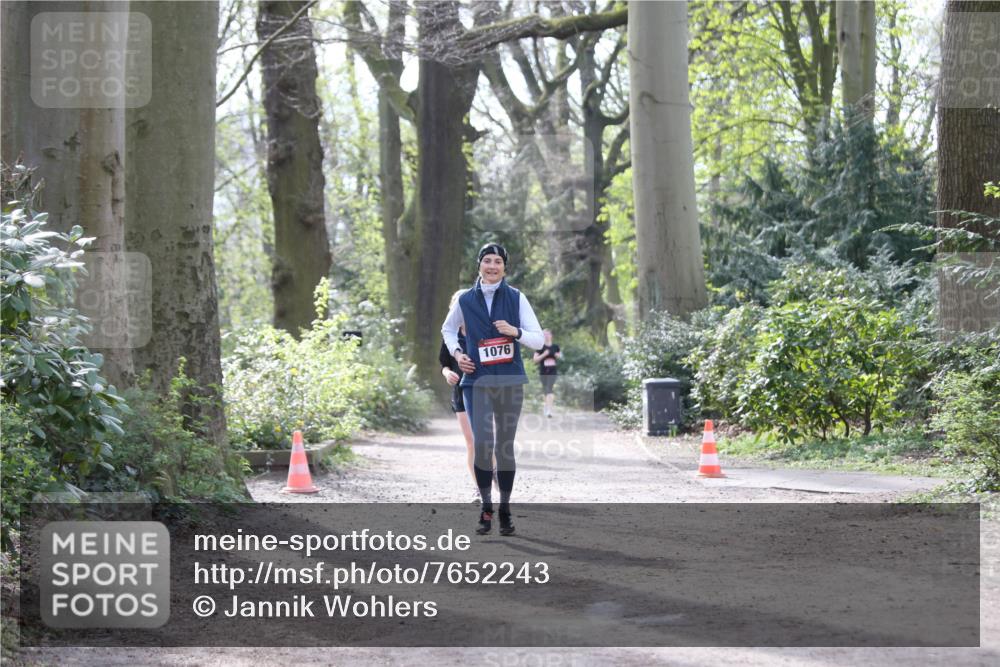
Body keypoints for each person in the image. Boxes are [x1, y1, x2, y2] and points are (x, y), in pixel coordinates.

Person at [441, 243, 544, 536]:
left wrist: (516, 332)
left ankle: (505, 510)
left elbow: (538, 340)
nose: (492, 266)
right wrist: (458, 353)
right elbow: (447, 330)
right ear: (479, 265)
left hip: (510, 382)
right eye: (487, 261)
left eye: (498, 261)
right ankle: (486, 507)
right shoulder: (465, 299)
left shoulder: (516, 298)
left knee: (505, 447)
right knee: (483, 445)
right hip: (477, 383)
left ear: (504, 267)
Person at [438, 290, 479, 505]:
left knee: (486, 441)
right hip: (461, 392)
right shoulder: (449, 335)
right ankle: (478, 489)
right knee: (471, 442)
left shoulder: (481, 330)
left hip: (483, 391)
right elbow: (444, 364)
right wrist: (448, 374)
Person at [533, 330, 562, 418]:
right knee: (546, 390)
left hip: (553, 371)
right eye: (544, 334)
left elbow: (561, 356)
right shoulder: (540, 347)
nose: (546, 336)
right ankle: (546, 407)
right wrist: (544, 354)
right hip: (543, 371)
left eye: (548, 334)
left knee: (549, 389)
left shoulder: (555, 346)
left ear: (551, 335)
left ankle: (549, 410)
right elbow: (535, 360)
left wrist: (557, 355)